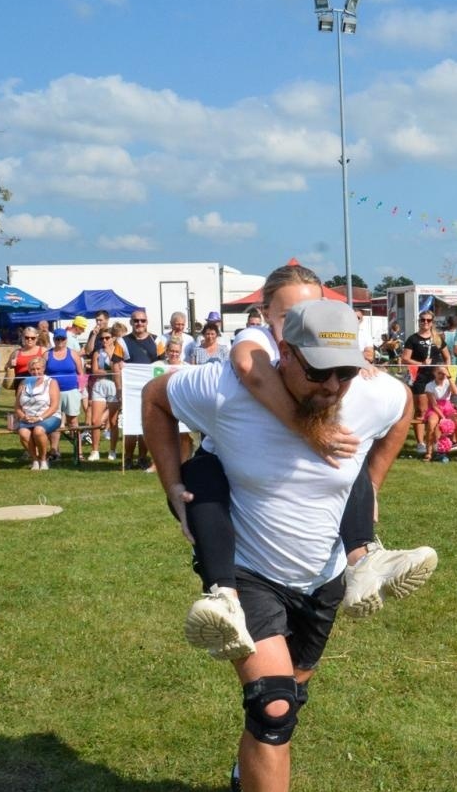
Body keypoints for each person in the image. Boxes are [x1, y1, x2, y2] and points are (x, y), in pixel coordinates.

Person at [143, 300, 415, 792]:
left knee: (293, 694)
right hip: (250, 573)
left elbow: (403, 409)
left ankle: (248, 776)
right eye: (319, 372)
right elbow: (157, 398)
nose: (333, 387)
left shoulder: (368, 395)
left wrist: (370, 488)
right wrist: (172, 486)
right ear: (283, 353)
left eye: (345, 372)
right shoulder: (226, 388)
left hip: (322, 577)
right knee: (271, 708)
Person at [173, 264, 438, 659]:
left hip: (316, 563)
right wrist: (308, 430)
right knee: (202, 474)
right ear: (266, 316)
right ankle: (223, 592)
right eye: (287, 315)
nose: (303, 319)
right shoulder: (255, 343)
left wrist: (374, 484)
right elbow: (250, 368)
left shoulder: (339, 364)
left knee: (351, 460)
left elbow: (401, 404)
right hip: (226, 473)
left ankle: (365, 558)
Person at [114, 310, 167, 469]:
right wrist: (119, 388)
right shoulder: (122, 341)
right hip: (131, 389)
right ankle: (128, 457)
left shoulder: (157, 340)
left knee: (147, 424)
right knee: (130, 425)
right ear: (131, 322)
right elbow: (116, 364)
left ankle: (143, 457)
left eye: (142, 321)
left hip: (151, 389)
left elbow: (162, 365)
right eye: (136, 321)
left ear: (147, 322)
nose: (139, 324)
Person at [400, 309, 448, 457]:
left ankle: (433, 440)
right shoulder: (413, 338)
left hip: (436, 378)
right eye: (422, 320)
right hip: (420, 377)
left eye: (428, 320)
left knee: (436, 410)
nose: (425, 322)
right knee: (421, 411)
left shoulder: (438, 338)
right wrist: (420, 363)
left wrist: (447, 371)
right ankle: (420, 442)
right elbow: (405, 358)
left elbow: (447, 356)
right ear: (419, 321)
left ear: (432, 322)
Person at [13, 353, 60, 470]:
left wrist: (40, 418)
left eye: (38, 369)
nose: (36, 372)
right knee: (23, 433)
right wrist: (23, 416)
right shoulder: (24, 383)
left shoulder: (51, 382)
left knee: (38, 431)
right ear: (29, 370)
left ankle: (43, 459)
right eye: (33, 369)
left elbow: (54, 406)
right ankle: (35, 459)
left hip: (49, 416)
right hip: (28, 418)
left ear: (43, 369)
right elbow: (17, 406)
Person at [87, 321, 126, 462]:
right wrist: (104, 370)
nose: (104, 340)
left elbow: (118, 367)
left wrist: (110, 356)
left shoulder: (118, 351)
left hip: (114, 385)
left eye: (107, 338)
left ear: (113, 338)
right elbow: (95, 371)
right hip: (100, 386)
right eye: (102, 338)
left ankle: (112, 450)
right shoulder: (97, 353)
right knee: (95, 420)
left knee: (113, 420)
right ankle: (95, 450)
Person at [44, 327, 85, 433]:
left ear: (66, 339)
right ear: (54, 340)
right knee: (54, 421)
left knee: (73, 421)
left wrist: (81, 390)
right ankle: (54, 449)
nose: (60, 341)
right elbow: (42, 374)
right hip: (53, 393)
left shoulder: (73, 354)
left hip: (71, 391)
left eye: (62, 339)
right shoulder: (47, 354)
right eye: (58, 339)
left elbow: (81, 373)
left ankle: (77, 448)